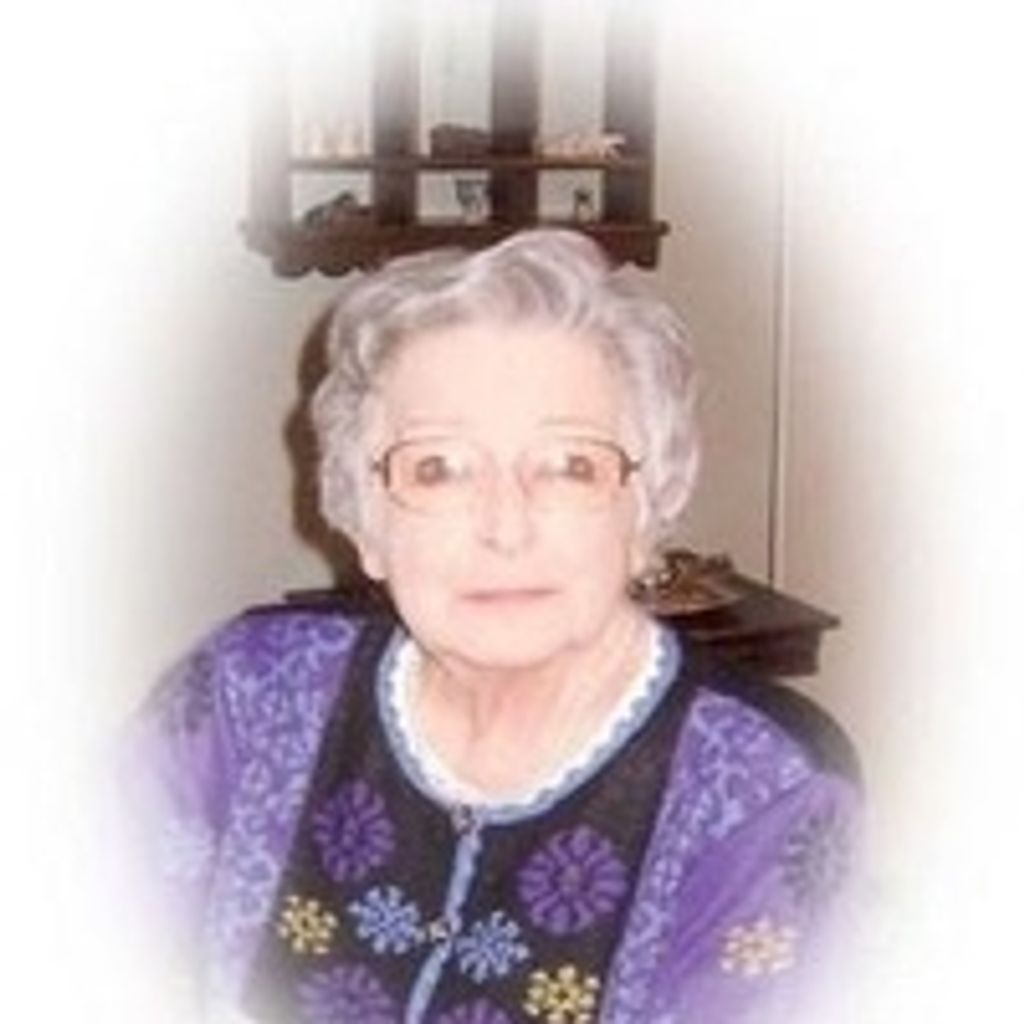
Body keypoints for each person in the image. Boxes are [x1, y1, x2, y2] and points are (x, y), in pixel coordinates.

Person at [128, 229, 860, 1023]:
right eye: (438, 469)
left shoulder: (766, 788)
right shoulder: (248, 690)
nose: (506, 528)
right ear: (364, 522)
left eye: (570, 466)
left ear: (645, 514)